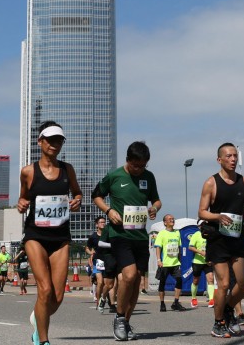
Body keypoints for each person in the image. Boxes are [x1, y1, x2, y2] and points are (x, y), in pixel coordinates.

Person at [17, 121, 83, 345]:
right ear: (40, 141)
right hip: (35, 236)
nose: (55, 144)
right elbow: (23, 197)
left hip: (61, 238)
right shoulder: (28, 171)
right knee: (44, 289)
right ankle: (42, 339)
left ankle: (38, 317)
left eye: (59, 140)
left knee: (57, 297)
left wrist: (77, 200)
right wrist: (21, 203)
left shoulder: (67, 170)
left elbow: (78, 193)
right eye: (51, 140)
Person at [92, 141, 161, 342]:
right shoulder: (114, 176)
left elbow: (156, 200)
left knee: (136, 281)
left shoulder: (149, 177)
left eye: (143, 166)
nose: (139, 169)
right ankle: (119, 318)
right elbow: (96, 195)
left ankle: (125, 321)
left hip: (140, 235)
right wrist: (109, 210)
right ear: (128, 160)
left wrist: (154, 208)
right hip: (119, 235)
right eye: (136, 165)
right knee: (129, 276)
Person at [198, 144, 244, 338]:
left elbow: (241, 208)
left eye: (235, 156)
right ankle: (218, 322)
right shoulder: (211, 183)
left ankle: (229, 309)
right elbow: (202, 212)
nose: (233, 159)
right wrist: (217, 216)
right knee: (223, 284)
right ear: (219, 160)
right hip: (218, 238)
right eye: (229, 156)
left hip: (237, 237)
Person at [153, 214, 186, 312]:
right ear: (165, 222)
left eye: (173, 219)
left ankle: (176, 302)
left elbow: (179, 247)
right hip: (165, 263)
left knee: (179, 280)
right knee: (162, 283)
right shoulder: (162, 233)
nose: (172, 220)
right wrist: (159, 260)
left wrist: (180, 260)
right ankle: (162, 303)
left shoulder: (177, 232)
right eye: (170, 219)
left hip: (175, 263)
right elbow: (158, 247)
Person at [187, 225, 214, 308]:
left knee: (210, 279)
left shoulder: (210, 234)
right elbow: (190, 247)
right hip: (197, 261)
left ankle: (211, 299)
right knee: (196, 280)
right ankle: (194, 298)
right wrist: (201, 252)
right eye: (202, 225)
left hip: (208, 262)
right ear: (199, 226)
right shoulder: (196, 234)